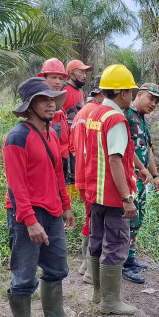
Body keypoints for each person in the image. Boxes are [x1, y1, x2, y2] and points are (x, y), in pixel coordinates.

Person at [3, 77, 82, 317]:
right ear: (29, 106)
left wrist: (66, 206)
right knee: (24, 275)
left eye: (53, 99)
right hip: (28, 216)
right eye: (43, 100)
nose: (51, 104)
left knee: (58, 267)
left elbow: (58, 173)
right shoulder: (17, 137)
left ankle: (54, 314)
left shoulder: (50, 133)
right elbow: (17, 185)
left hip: (52, 212)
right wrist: (30, 220)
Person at [83, 64, 139, 315]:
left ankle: (98, 294)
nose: (132, 96)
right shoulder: (116, 119)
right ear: (123, 93)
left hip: (95, 192)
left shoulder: (94, 114)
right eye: (131, 91)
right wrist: (127, 198)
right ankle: (110, 301)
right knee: (116, 244)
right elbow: (115, 160)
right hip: (114, 196)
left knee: (97, 241)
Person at [122, 83, 159, 284]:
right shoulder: (126, 116)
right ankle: (121, 263)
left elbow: (148, 150)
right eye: (151, 98)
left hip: (142, 180)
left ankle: (130, 258)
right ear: (139, 95)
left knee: (138, 218)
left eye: (156, 101)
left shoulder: (142, 120)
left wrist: (155, 176)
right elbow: (125, 148)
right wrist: (141, 169)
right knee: (127, 220)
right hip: (128, 179)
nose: (153, 103)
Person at [72, 75, 104, 284]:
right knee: (96, 221)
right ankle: (92, 270)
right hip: (94, 177)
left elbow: (73, 147)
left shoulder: (81, 113)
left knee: (89, 217)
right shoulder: (98, 114)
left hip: (82, 175)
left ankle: (86, 264)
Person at [62, 60, 93, 191]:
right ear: (72, 74)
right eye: (81, 72)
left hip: (77, 139)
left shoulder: (81, 93)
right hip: (63, 140)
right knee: (66, 170)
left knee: (76, 169)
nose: (85, 75)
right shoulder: (63, 90)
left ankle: (74, 199)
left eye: (85, 72)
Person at [37, 58, 71, 174]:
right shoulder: (39, 106)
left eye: (61, 78)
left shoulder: (60, 105)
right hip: (48, 158)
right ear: (44, 79)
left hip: (62, 158)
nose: (58, 82)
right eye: (53, 77)